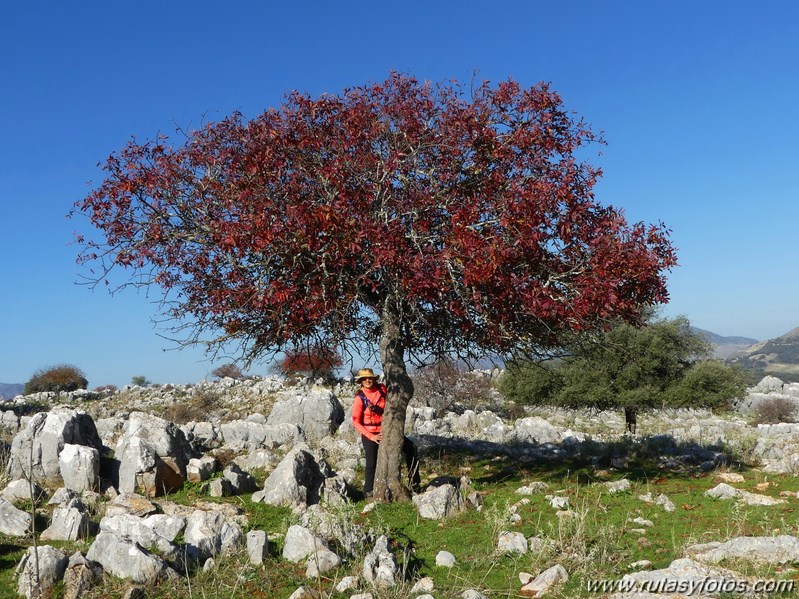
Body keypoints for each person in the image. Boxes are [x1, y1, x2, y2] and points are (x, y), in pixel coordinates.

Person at [351, 368, 421, 497]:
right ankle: (368, 492)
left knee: (411, 448)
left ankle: (415, 484)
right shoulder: (359, 398)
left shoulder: (382, 389)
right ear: (360, 381)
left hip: (388, 431)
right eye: (365, 379)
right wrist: (371, 436)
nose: (368, 380)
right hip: (370, 434)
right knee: (372, 462)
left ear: (374, 379)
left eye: (370, 378)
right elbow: (355, 421)